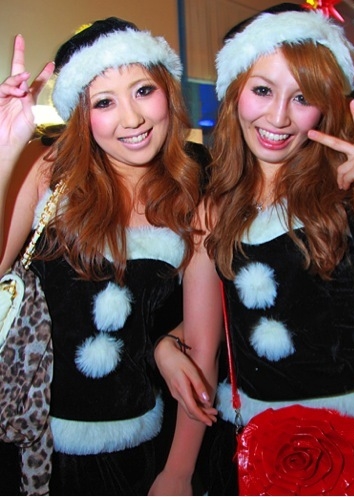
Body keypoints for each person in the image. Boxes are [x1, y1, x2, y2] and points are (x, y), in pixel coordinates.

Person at [154, 4, 354, 496]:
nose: (278, 117)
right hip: (256, 444)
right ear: (236, 93)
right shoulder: (213, 210)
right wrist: (177, 471)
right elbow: (205, 350)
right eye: (262, 90)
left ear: (325, 105)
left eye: (302, 97)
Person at [0, 17, 214, 495]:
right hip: (29, 441)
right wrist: (6, 151)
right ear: (82, 115)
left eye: (143, 91)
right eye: (104, 102)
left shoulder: (196, 184)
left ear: (167, 90)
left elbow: (207, 329)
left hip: (140, 444)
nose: (131, 119)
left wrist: (178, 472)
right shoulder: (50, 169)